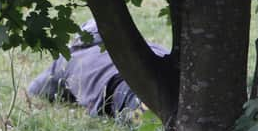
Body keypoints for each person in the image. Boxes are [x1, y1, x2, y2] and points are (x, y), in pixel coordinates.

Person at [27, 19, 169, 117]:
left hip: (127, 90)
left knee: (151, 121)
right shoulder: (147, 45)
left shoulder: (71, 57)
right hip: (174, 78)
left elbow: (37, 89)